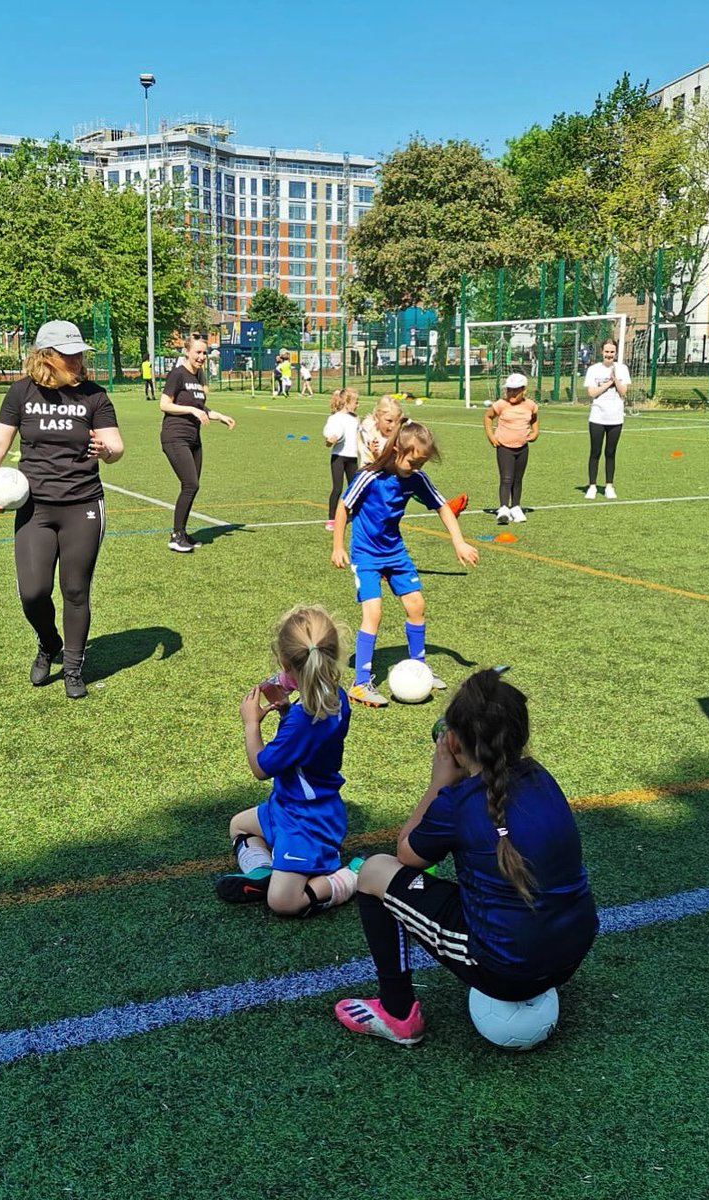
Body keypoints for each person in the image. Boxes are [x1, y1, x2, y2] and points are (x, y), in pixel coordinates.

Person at [334, 668, 599, 1045]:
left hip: (505, 969)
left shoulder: (457, 804)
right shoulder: (542, 777)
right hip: (575, 950)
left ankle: (396, 1012)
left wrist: (439, 782)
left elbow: (407, 856)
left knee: (374, 871)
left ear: (453, 743)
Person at [0, 320, 123, 700]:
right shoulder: (21, 393)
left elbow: (116, 446)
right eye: (68, 354)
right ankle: (48, 641)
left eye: (79, 353)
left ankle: (73, 667)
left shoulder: (95, 396)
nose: (77, 360)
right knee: (33, 592)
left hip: (83, 504)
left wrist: (106, 451)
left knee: (75, 590)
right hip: (35, 506)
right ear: (46, 356)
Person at [214, 604, 362, 917]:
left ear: (285, 663)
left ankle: (354, 875)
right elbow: (306, 745)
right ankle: (263, 873)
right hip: (289, 807)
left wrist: (251, 723)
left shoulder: (302, 717)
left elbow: (261, 768)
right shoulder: (336, 696)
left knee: (283, 902)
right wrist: (284, 710)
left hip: (307, 822)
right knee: (239, 825)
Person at [331, 419, 479, 707]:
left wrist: (459, 541)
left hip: (395, 552)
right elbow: (343, 506)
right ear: (397, 449)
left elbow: (442, 507)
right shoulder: (369, 476)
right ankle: (360, 683)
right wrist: (338, 545)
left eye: (421, 463)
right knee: (373, 613)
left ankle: (419, 665)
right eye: (413, 461)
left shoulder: (417, 479)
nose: (416, 468)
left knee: (416, 605)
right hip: (366, 554)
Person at [159, 332, 236, 553]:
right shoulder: (178, 374)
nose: (202, 356)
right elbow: (164, 404)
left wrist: (219, 416)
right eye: (198, 352)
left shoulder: (198, 378)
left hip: (194, 439)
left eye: (205, 352)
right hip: (175, 437)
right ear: (187, 351)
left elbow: (201, 408)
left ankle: (182, 533)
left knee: (191, 487)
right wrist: (192, 409)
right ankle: (175, 536)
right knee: (191, 484)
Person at [484, 371, 539, 524]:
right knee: (506, 478)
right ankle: (503, 508)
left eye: (516, 390)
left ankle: (515, 506)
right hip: (504, 447)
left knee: (518, 479)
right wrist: (491, 436)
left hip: (522, 448)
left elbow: (534, 419)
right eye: (509, 390)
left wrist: (535, 432)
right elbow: (488, 417)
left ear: (524, 390)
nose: (512, 393)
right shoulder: (501, 404)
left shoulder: (530, 405)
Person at [583, 338, 630, 500]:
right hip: (597, 416)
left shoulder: (622, 369)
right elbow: (592, 393)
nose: (609, 355)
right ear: (601, 352)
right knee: (595, 452)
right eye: (606, 351)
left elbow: (623, 392)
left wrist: (615, 379)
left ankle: (609, 485)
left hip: (615, 417)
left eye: (612, 352)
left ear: (616, 352)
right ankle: (592, 486)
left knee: (610, 452)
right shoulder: (594, 369)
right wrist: (607, 383)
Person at [323, 387, 360, 531]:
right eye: (356, 402)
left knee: (354, 488)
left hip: (353, 458)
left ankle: (353, 514)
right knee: (337, 488)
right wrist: (329, 440)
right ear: (347, 402)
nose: (357, 405)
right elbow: (329, 434)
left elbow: (358, 436)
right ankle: (332, 518)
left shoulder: (355, 418)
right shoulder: (335, 418)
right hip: (338, 457)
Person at [357, 394, 404, 469]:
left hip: (388, 476)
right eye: (389, 421)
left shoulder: (398, 438)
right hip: (369, 474)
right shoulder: (368, 430)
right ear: (377, 417)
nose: (393, 426)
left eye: (397, 422)